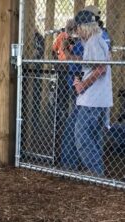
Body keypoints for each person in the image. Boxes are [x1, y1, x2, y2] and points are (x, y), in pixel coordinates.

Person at [60, 10, 113, 176]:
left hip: (93, 99)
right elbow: (89, 63)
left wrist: (83, 85)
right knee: (94, 138)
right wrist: (69, 55)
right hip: (97, 99)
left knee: (81, 136)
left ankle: (96, 174)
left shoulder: (94, 42)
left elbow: (101, 68)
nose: (77, 32)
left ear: (84, 27)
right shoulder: (93, 40)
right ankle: (98, 175)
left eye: (78, 28)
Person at [52, 19, 77, 156]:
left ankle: (70, 117)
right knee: (61, 97)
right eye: (68, 28)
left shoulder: (78, 39)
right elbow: (53, 49)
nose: (69, 30)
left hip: (72, 69)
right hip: (62, 68)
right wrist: (56, 64)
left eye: (71, 28)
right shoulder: (62, 36)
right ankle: (61, 116)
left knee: (73, 96)